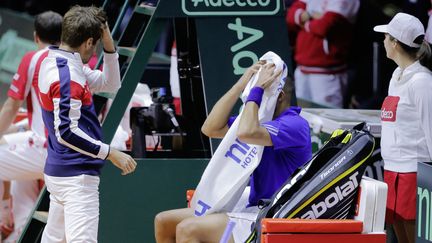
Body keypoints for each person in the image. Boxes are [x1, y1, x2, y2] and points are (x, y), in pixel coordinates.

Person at [154, 62, 312, 243]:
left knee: (188, 229)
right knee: (164, 221)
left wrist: (257, 90)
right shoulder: (259, 120)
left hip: (276, 213)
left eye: (262, 92)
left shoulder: (295, 125)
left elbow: (246, 133)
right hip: (253, 206)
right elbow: (210, 128)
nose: (257, 96)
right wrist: (240, 86)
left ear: (280, 96)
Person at [37, 6, 137, 242]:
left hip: (63, 171)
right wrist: (110, 153)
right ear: (89, 42)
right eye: (96, 44)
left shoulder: (62, 63)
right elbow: (67, 133)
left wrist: (110, 46)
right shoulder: (68, 78)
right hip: (76, 177)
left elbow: (111, 84)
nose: (95, 49)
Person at [0, 11, 62, 241]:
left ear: (36, 37)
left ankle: (4, 220)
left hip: (44, 150)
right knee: (18, 173)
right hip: (64, 149)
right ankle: (14, 228)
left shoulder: (33, 59)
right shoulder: (75, 60)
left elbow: (10, 107)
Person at [374, 12, 432, 243]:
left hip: (414, 175)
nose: (383, 41)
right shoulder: (396, 75)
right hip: (392, 171)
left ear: (396, 43)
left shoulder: (422, 82)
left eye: (386, 37)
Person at [286, 0, 360, 107]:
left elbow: (325, 26)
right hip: (302, 69)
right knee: (300, 115)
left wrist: (305, 20)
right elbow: (290, 16)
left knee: (327, 118)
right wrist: (313, 16)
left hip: (327, 74)